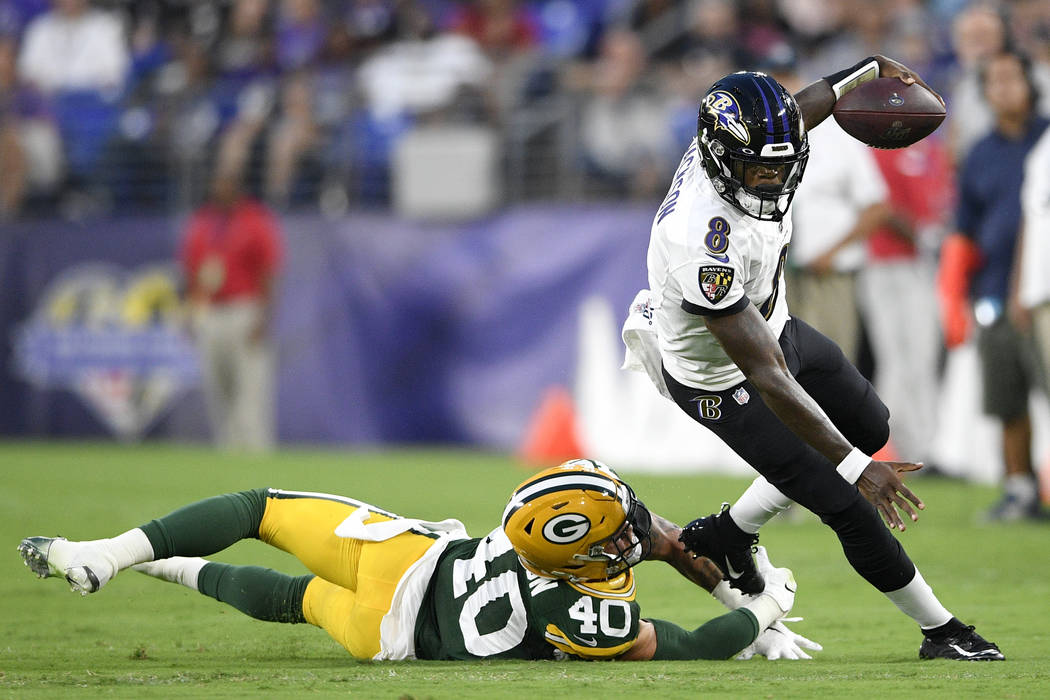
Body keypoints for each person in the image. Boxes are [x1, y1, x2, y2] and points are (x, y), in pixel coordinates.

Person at [630, 55, 1003, 660]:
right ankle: (943, 631)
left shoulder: (759, 144)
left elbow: (811, 104)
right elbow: (767, 377)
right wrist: (858, 470)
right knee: (847, 500)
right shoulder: (703, 242)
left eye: (782, 165)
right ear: (724, 159)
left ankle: (727, 535)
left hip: (773, 326)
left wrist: (873, 67)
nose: (773, 180)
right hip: (720, 379)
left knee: (870, 424)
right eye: (759, 169)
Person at [18, 460, 816, 662]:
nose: (626, 540)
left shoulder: (533, 530)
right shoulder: (581, 608)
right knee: (291, 602)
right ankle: (158, 566)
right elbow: (690, 649)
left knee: (259, 510)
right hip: (388, 638)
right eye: (612, 534)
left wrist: (747, 609)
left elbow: (639, 531)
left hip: (403, 561)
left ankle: (122, 556)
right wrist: (766, 606)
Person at [938, 50, 1049, 522]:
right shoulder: (980, 152)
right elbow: (964, 229)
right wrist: (958, 292)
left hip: (1043, 290)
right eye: (995, 81)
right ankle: (1020, 488)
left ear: (1031, 83)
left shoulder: (1045, 140)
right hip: (994, 289)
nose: (1004, 88)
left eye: (1012, 78)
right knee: (1007, 397)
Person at [180, 166, 284, 451]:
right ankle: (226, 454)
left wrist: (264, 317)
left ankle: (255, 452)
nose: (219, 189)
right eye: (216, 182)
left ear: (238, 187)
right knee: (217, 390)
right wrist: (190, 312)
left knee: (250, 390)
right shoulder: (202, 221)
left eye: (225, 183)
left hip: (244, 309)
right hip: (210, 312)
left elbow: (268, 272)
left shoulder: (255, 220)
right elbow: (192, 273)